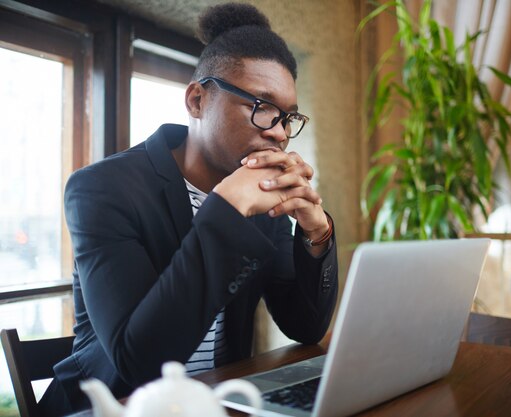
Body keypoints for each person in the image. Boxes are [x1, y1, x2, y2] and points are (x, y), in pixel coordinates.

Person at [39, 3, 338, 416]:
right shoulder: (102, 190)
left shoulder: (261, 197)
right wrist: (229, 208)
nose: (280, 133)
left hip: (213, 404)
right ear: (197, 100)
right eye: (261, 107)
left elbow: (305, 327)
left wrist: (316, 233)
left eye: (287, 117)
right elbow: (142, 364)